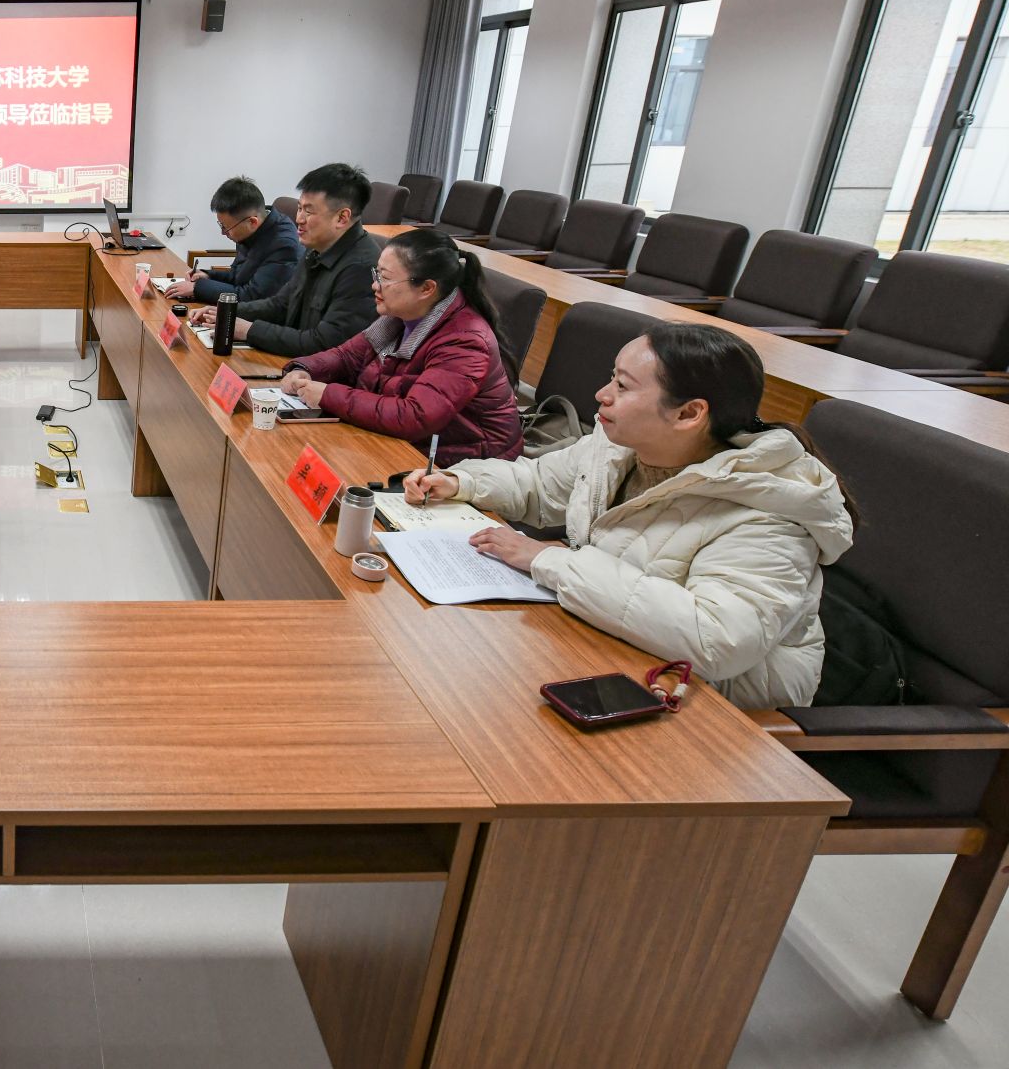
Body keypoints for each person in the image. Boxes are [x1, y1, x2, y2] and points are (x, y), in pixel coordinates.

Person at [403, 323, 854, 710]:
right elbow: (541, 485)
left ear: (689, 413)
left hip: (711, 705)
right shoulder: (620, 444)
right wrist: (463, 483)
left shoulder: (769, 514)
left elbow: (715, 640)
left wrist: (551, 561)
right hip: (617, 646)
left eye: (623, 386)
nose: (602, 395)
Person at [280, 229, 521, 465]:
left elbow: (415, 416)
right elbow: (347, 356)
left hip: (467, 466)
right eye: (377, 274)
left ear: (427, 288)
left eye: (385, 278)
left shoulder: (466, 340)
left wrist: (327, 394)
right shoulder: (401, 315)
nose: (375, 286)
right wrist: (306, 369)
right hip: (409, 446)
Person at [189, 163, 379, 358]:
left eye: (309, 211)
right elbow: (280, 304)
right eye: (299, 208)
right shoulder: (316, 249)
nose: (299, 218)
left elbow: (324, 344)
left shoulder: (360, 268)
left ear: (342, 217)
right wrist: (226, 312)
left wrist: (248, 330)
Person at [167, 176, 300, 305]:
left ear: (252, 222)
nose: (223, 233)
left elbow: (251, 297)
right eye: (221, 225)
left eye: (226, 227)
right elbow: (238, 275)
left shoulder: (283, 246)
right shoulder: (253, 229)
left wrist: (198, 288)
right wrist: (208, 276)